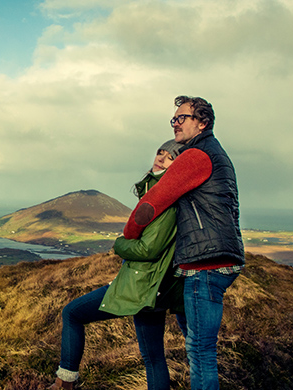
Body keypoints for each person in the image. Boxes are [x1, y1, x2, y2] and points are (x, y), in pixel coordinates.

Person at [123, 96, 243, 390]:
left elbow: (154, 201)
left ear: (202, 123)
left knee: (200, 351)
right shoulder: (215, 153)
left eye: (182, 118)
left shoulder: (196, 155)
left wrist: (129, 234)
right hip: (214, 259)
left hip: (206, 264)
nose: (175, 124)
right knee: (198, 343)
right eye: (173, 119)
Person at [49, 140, 185, 390]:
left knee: (72, 313)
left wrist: (120, 244)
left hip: (141, 285)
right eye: (160, 152)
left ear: (178, 168)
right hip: (152, 287)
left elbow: (148, 249)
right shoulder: (159, 195)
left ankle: (64, 382)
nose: (161, 159)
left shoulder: (165, 202)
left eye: (170, 158)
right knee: (153, 357)